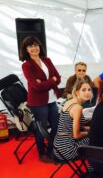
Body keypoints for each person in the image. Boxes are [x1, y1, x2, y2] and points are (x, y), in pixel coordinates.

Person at [20, 36, 61, 164]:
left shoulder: (47, 60)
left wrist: (46, 82)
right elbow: (36, 86)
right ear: (26, 50)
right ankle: (42, 154)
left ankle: (50, 150)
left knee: (56, 126)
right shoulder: (26, 65)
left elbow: (58, 78)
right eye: (30, 46)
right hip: (38, 102)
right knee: (41, 128)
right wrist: (51, 81)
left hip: (52, 99)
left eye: (36, 45)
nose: (34, 48)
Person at [53, 80, 92, 161]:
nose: (87, 92)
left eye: (89, 89)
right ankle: (93, 166)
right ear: (77, 92)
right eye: (84, 90)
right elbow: (76, 135)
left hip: (58, 147)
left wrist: (89, 128)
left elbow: (69, 124)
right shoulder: (77, 107)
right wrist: (90, 132)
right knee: (97, 138)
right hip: (67, 150)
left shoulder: (69, 101)